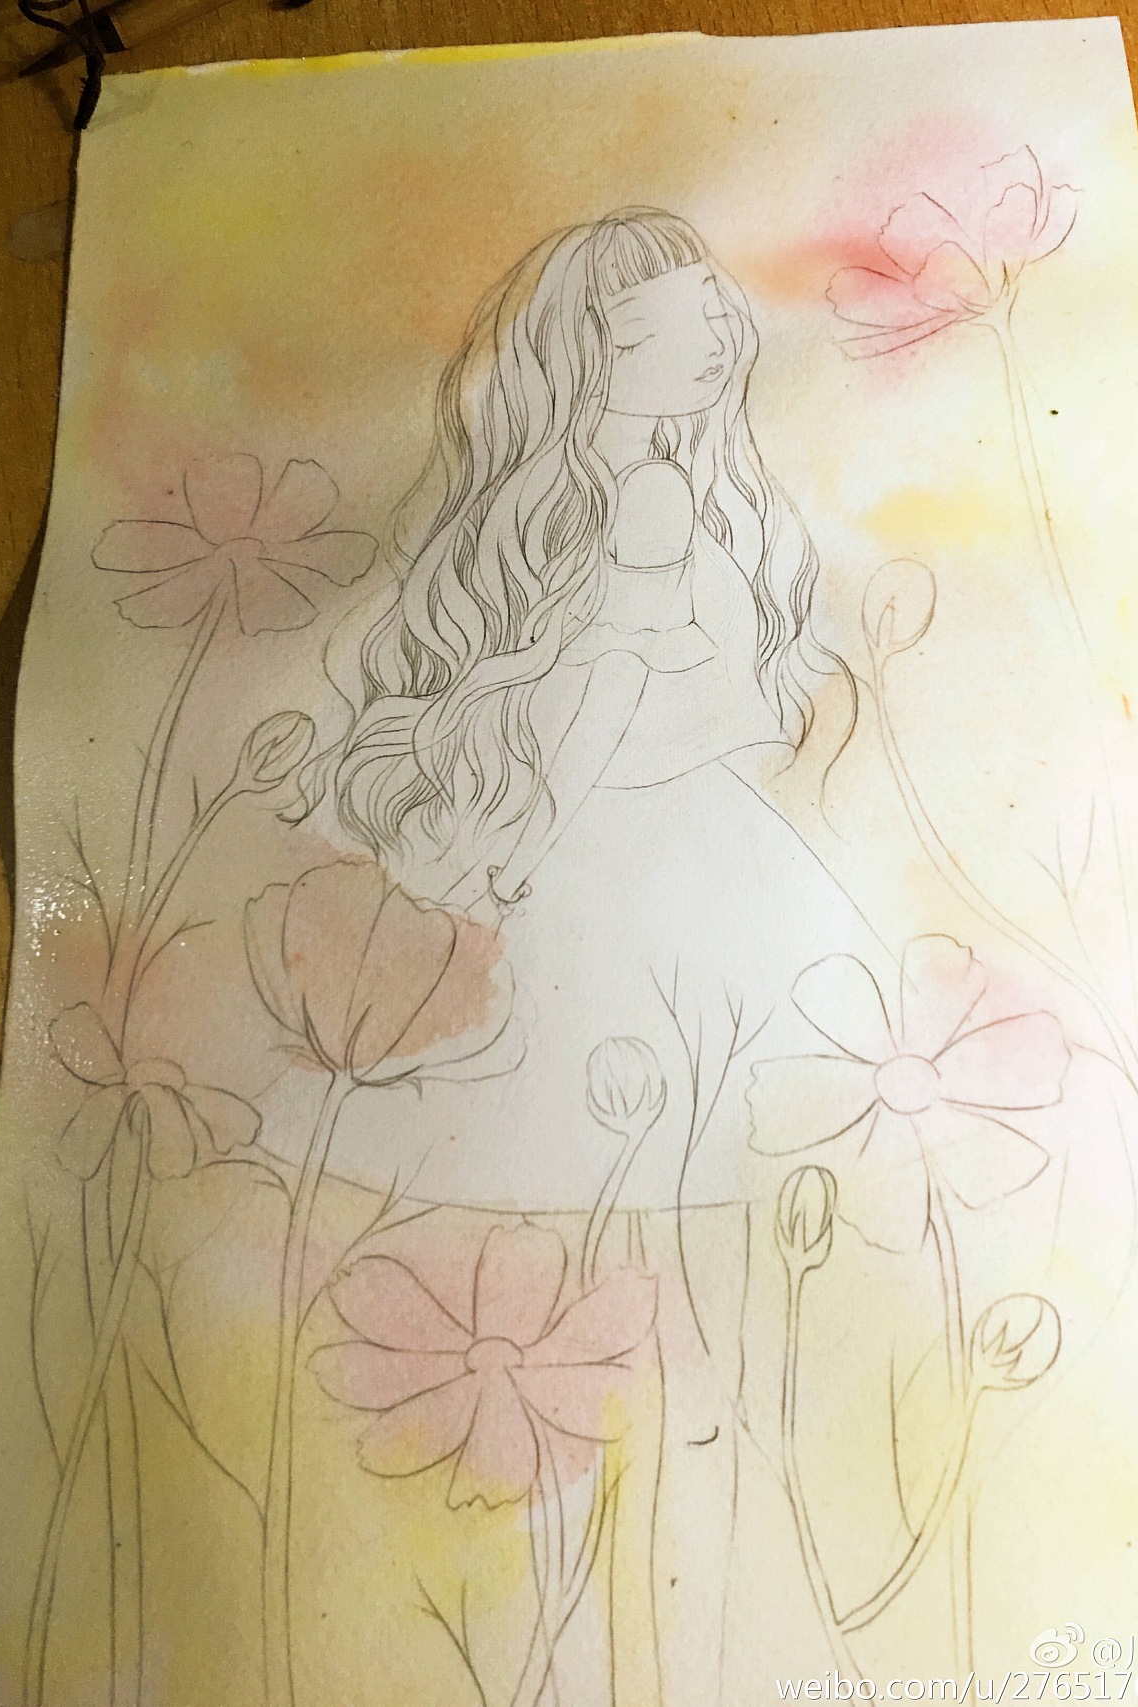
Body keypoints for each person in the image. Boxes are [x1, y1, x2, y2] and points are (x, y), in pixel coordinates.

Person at [306, 207, 887, 1703]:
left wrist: (516, 842)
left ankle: (640, 1618)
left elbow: (665, 695)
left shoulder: (661, 490)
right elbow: (608, 702)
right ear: (593, 353)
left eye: (712, 320)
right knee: (652, 1255)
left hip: (665, 868)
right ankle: (650, 1619)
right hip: (639, 877)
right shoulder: (648, 500)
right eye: (668, 327)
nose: (712, 342)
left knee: (638, 1250)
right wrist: (516, 844)